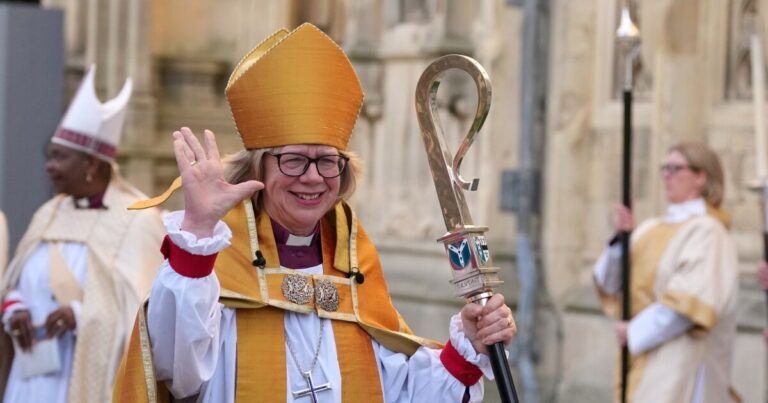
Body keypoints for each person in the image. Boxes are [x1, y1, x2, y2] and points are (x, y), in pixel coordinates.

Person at [113, 23, 516, 403]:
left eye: (326, 161)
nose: (312, 178)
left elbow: (398, 390)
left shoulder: (353, 268)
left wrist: (469, 348)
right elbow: (175, 371)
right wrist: (197, 231)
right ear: (260, 167)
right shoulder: (213, 269)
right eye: (293, 160)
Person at [0, 65, 165, 403]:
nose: (49, 166)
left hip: (83, 377)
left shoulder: (137, 218)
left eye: (60, 157)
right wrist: (14, 309)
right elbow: (16, 282)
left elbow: (145, 312)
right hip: (29, 377)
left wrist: (79, 314)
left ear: (90, 164)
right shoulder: (49, 213)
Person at [593, 141, 740, 403]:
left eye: (676, 168)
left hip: (682, 359)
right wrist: (620, 240)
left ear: (701, 177)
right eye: (665, 168)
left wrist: (634, 332)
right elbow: (611, 282)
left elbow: (689, 304)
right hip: (642, 357)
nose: (666, 175)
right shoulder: (651, 227)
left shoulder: (709, 232)